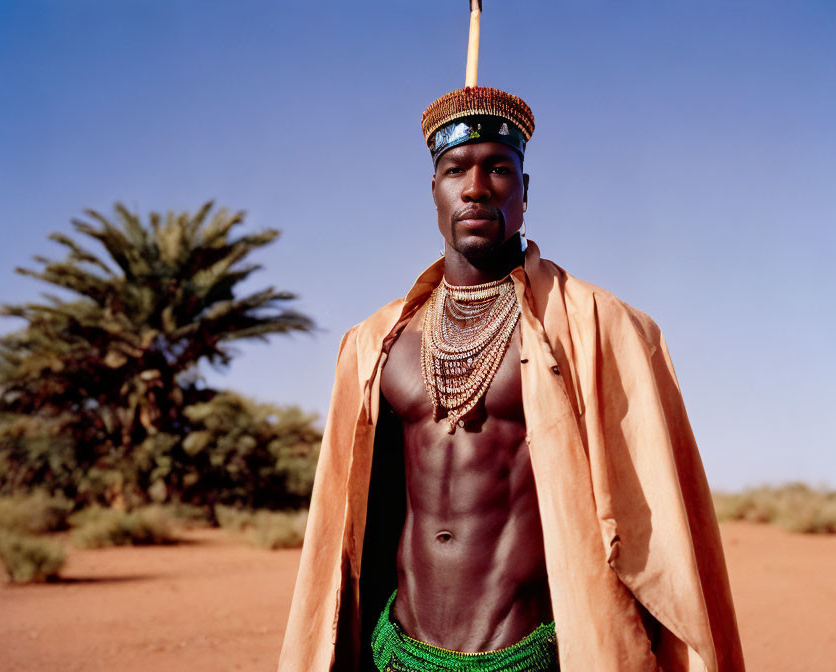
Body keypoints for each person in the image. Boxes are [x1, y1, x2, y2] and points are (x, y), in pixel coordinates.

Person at [278, 81, 745, 671]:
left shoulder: (598, 329)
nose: (476, 188)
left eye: (498, 169)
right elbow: (350, 518)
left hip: (529, 654)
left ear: (523, 193)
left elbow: (659, 525)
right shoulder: (374, 345)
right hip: (397, 652)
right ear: (434, 191)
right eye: (456, 170)